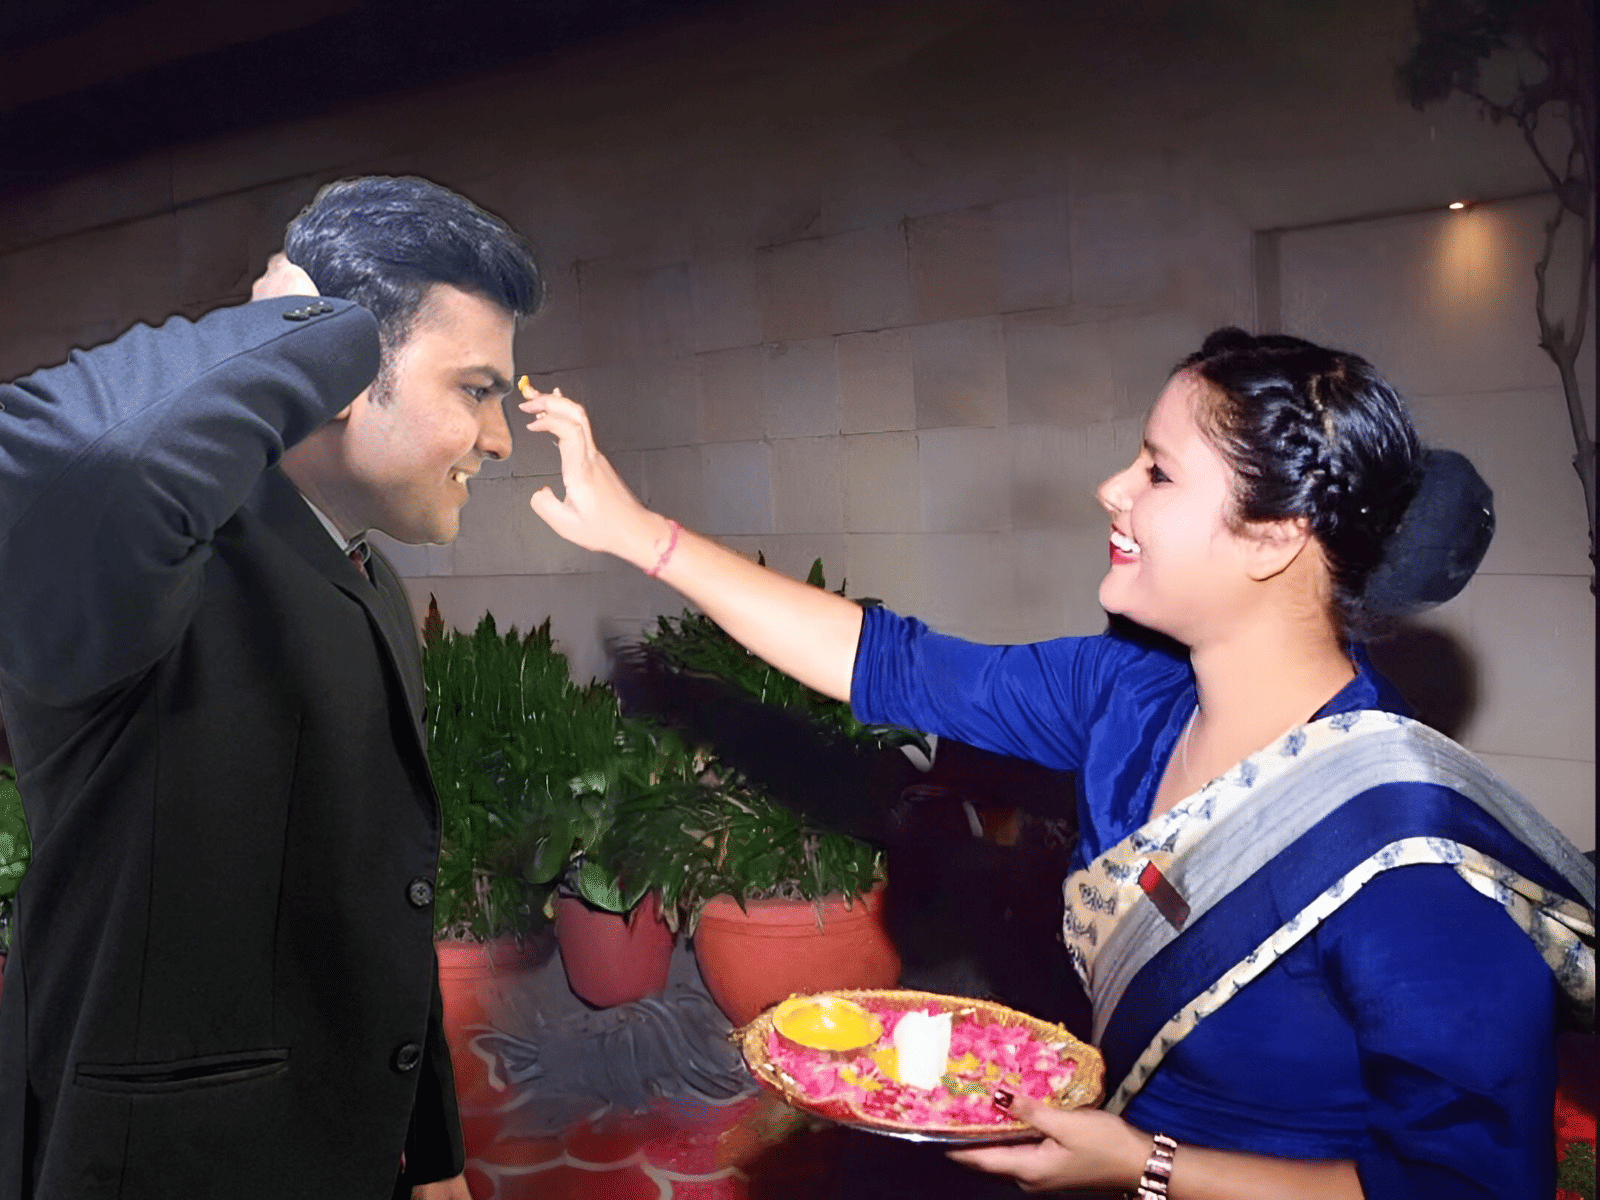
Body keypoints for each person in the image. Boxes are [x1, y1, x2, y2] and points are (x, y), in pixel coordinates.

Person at [518, 328, 1595, 1199]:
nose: (1109, 488)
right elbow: (885, 663)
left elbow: (1465, 1187)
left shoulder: (1409, 864)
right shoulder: (1129, 693)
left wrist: (1149, 1167)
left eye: (1157, 471)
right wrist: (636, 532)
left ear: (1274, 537)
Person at [0, 175, 541, 1200]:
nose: (501, 439)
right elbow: (71, 453)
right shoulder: (150, 561)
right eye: (475, 390)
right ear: (334, 368)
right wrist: (304, 327)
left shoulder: (364, 575)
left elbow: (385, 887)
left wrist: (432, 1155)